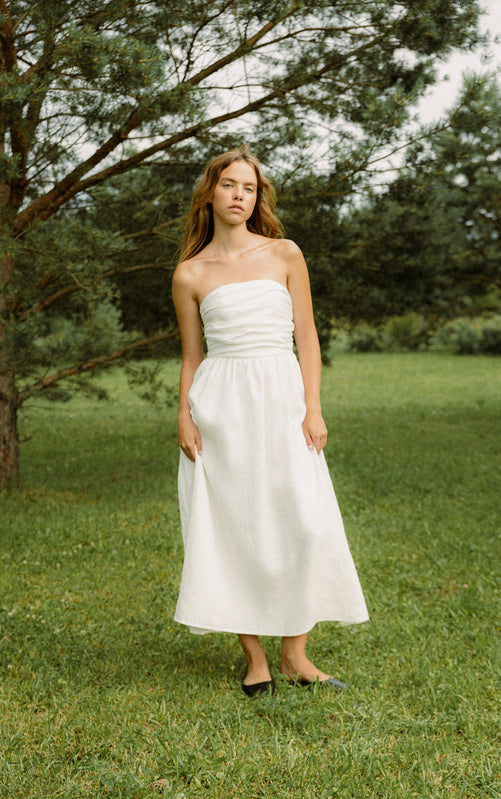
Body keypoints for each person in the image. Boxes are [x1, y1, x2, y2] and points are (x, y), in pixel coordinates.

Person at [172, 145, 368, 697]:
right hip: (221, 406)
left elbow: (306, 335)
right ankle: (255, 658)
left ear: (259, 197)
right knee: (235, 528)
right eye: (230, 185)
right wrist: (184, 417)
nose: (240, 196)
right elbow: (192, 355)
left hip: (283, 400)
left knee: (303, 521)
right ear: (211, 191)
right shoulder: (190, 273)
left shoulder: (285, 253)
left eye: (250, 188)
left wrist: (313, 406)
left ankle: (296, 657)